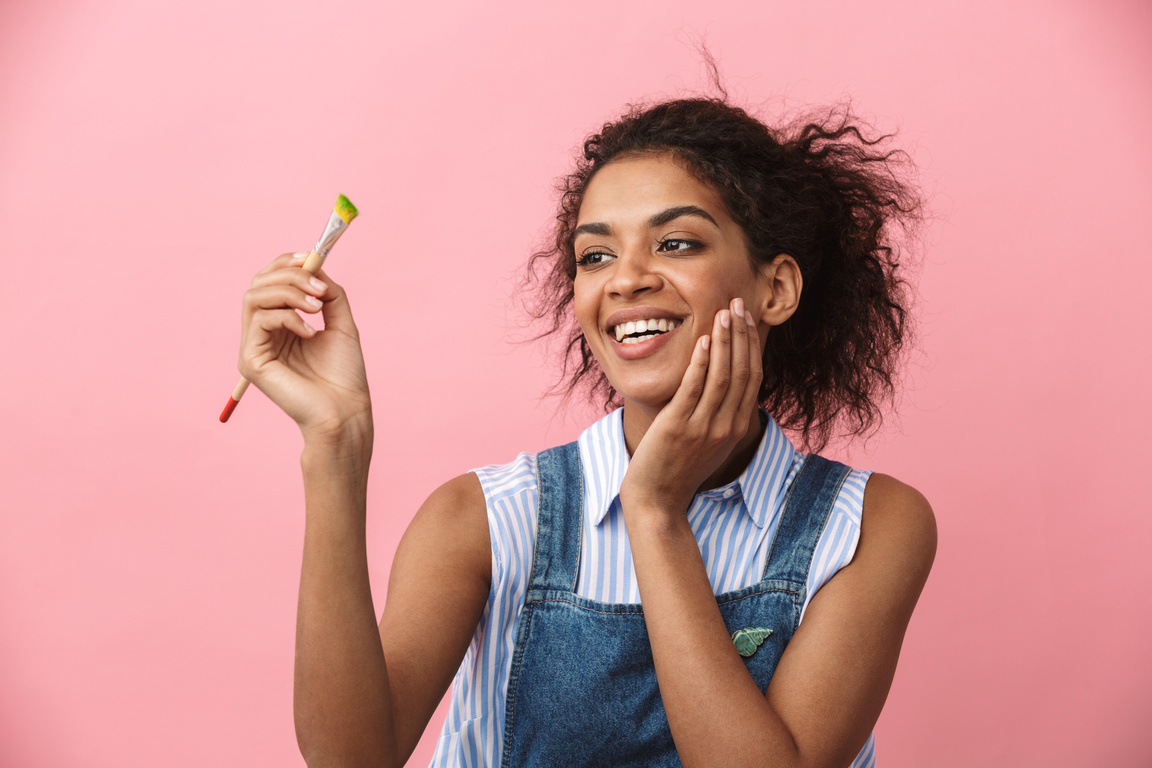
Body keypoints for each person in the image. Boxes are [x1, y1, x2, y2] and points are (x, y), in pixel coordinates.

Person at [236, 96, 937, 768]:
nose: (626, 280)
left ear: (774, 289)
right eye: (595, 256)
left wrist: (655, 511)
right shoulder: (487, 519)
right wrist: (334, 442)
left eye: (677, 242)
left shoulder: (868, 527)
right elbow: (351, 759)